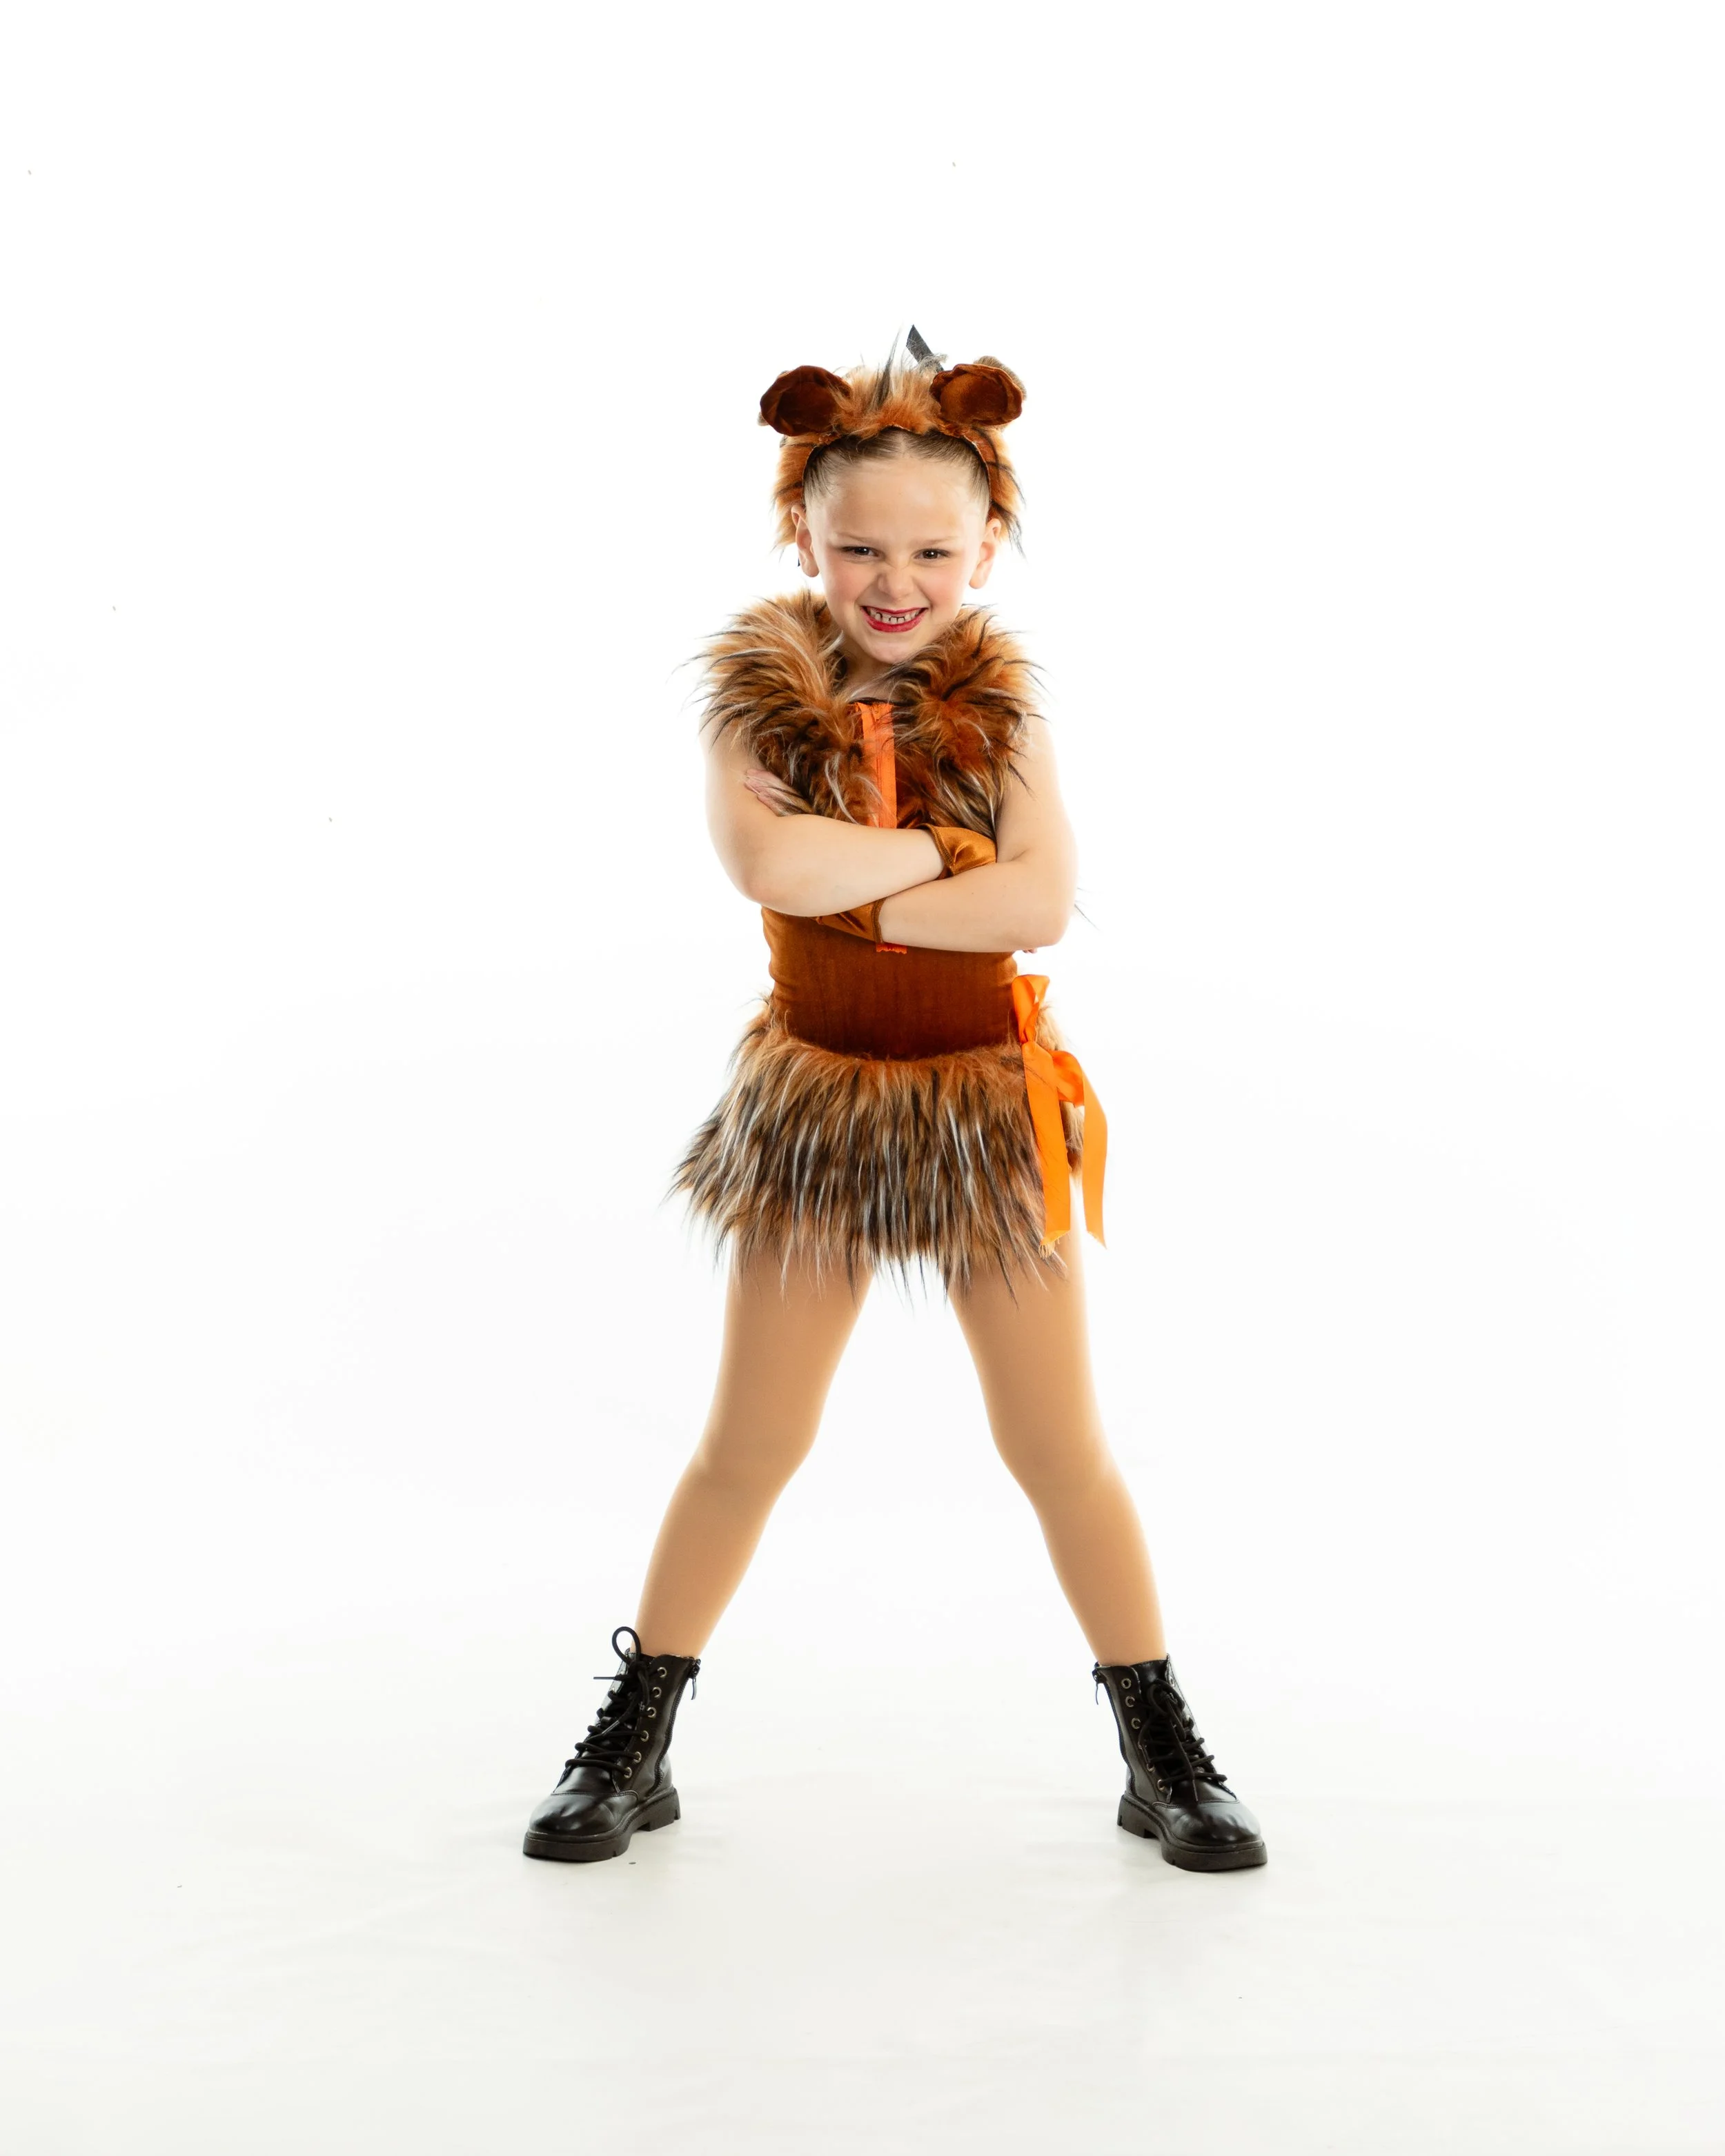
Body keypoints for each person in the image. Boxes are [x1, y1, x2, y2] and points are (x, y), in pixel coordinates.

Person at [522, 332, 1266, 1874]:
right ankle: (632, 1741)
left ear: (985, 546)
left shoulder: (1005, 714)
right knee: (750, 1439)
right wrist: (945, 857)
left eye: (931, 550)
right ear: (802, 531)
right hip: (817, 1112)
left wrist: (873, 884)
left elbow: (1037, 905)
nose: (894, 579)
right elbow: (770, 864)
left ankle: (1161, 1748)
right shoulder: (760, 700)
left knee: (1057, 1446)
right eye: (861, 546)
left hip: (985, 1112)